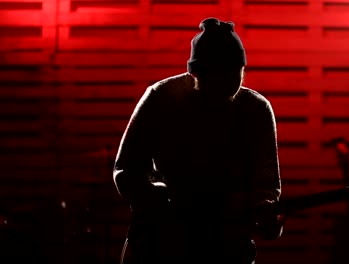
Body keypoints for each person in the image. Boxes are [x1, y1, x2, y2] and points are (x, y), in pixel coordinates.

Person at [113, 17, 284, 264]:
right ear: (193, 73)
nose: (224, 87)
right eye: (216, 79)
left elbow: (266, 183)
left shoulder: (256, 110)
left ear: (243, 70)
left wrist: (267, 210)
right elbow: (126, 169)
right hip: (164, 245)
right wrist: (157, 201)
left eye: (232, 76)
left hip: (226, 245)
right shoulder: (161, 98)